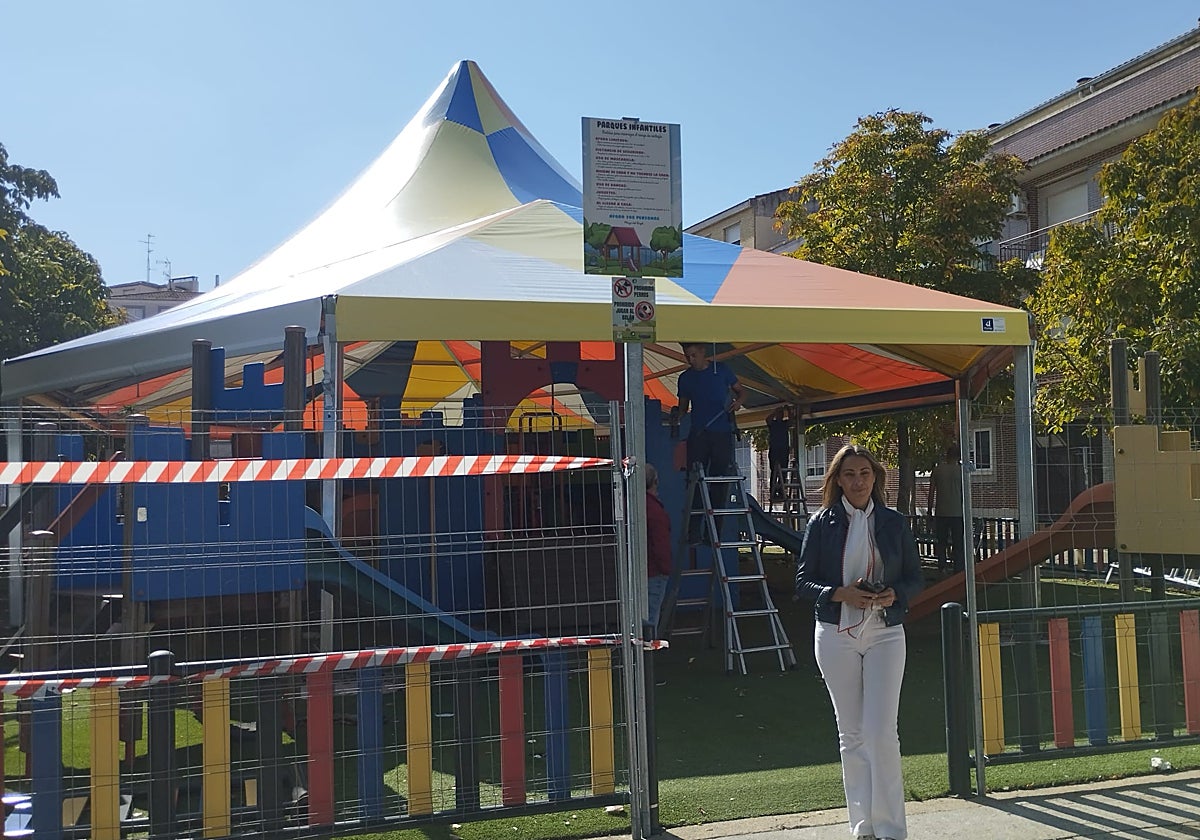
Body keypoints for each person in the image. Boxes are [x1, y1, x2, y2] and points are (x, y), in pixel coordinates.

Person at [795, 444, 924, 840]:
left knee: (882, 731)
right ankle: (863, 827)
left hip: (885, 630)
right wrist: (839, 593)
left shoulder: (894, 522)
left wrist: (894, 595)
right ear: (837, 480)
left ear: (875, 477)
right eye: (849, 474)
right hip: (836, 633)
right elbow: (802, 582)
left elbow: (915, 579)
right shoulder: (821, 523)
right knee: (851, 734)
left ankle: (890, 829)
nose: (858, 481)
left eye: (864, 473)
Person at [676, 342, 745, 477]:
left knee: (720, 474)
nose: (691, 360)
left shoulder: (721, 369)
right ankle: (697, 498)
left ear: (703, 351)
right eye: (687, 356)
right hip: (699, 433)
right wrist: (677, 416)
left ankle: (718, 498)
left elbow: (742, 392)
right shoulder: (685, 378)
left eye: (694, 355)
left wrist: (738, 402)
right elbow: (682, 408)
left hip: (722, 431)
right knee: (695, 475)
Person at [644, 463, 672, 634]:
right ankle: (646, 658)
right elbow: (660, 543)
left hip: (642, 571)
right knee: (650, 618)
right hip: (654, 572)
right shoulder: (654, 510)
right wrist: (666, 569)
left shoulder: (635, 505)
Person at [927, 444, 965, 573]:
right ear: (958, 456)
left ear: (947, 455)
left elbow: (931, 492)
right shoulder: (961, 471)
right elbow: (965, 493)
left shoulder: (937, 470)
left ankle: (942, 567)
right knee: (958, 543)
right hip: (958, 513)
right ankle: (958, 569)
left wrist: (929, 511)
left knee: (941, 542)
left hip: (941, 512)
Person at [766, 406, 792, 499]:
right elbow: (768, 419)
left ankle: (781, 491)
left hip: (783, 450)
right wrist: (774, 412)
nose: (780, 415)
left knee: (783, 471)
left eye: (781, 413)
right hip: (775, 450)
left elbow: (791, 421)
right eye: (779, 414)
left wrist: (788, 411)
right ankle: (773, 492)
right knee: (774, 471)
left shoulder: (784, 424)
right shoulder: (773, 423)